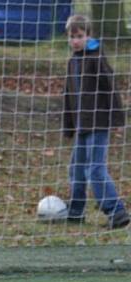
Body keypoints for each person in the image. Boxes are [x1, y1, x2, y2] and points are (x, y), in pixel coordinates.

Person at [62, 14, 129, 229]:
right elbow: (68, 98)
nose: (76, 41)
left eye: (80, 36)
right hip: (82, 125)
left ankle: (116, 211)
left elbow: (111, 89)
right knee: (76, 168)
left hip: (98, 123)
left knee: (95, 168)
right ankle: (75, 212)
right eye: (72, 37)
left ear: (88, 36)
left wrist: (116, 118)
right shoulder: (72, 62)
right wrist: (69, 126)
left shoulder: (96, 58)